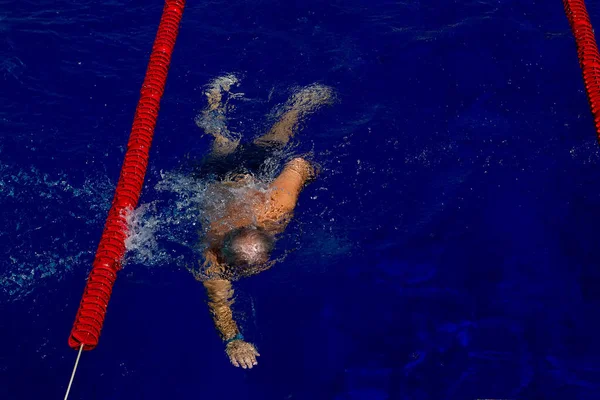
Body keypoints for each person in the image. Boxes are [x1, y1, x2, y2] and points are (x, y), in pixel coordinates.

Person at [192, 79, 333, 369]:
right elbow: (218, 305)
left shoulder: (278, 209)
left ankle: (300, 101)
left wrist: (312, 176)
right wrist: (233, 340)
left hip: (231, 176)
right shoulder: (213, 254)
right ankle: (217, 101)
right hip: (220, 176)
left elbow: (300, 164)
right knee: (227, 144)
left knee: (270, 138)